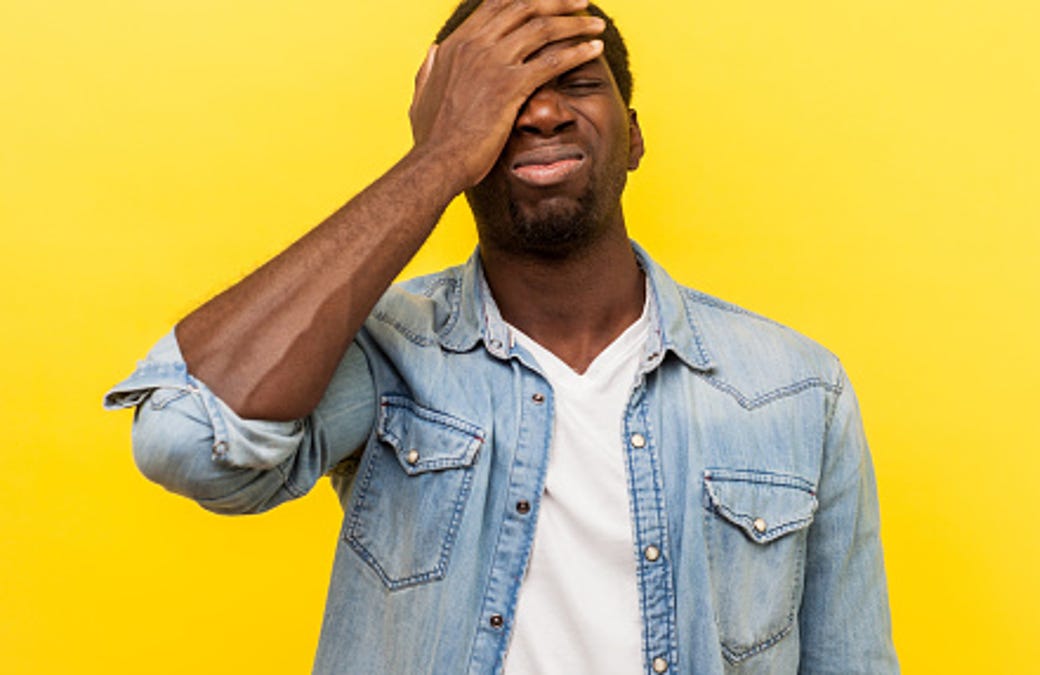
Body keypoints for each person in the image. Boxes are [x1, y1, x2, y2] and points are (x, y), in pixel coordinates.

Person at [105, 0, 899, 672]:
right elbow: (184, 439)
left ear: (634, 136)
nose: (544, 111)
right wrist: (438, 156)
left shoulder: (797, 387)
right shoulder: (386, 356)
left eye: (575, 85)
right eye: (502, 98)